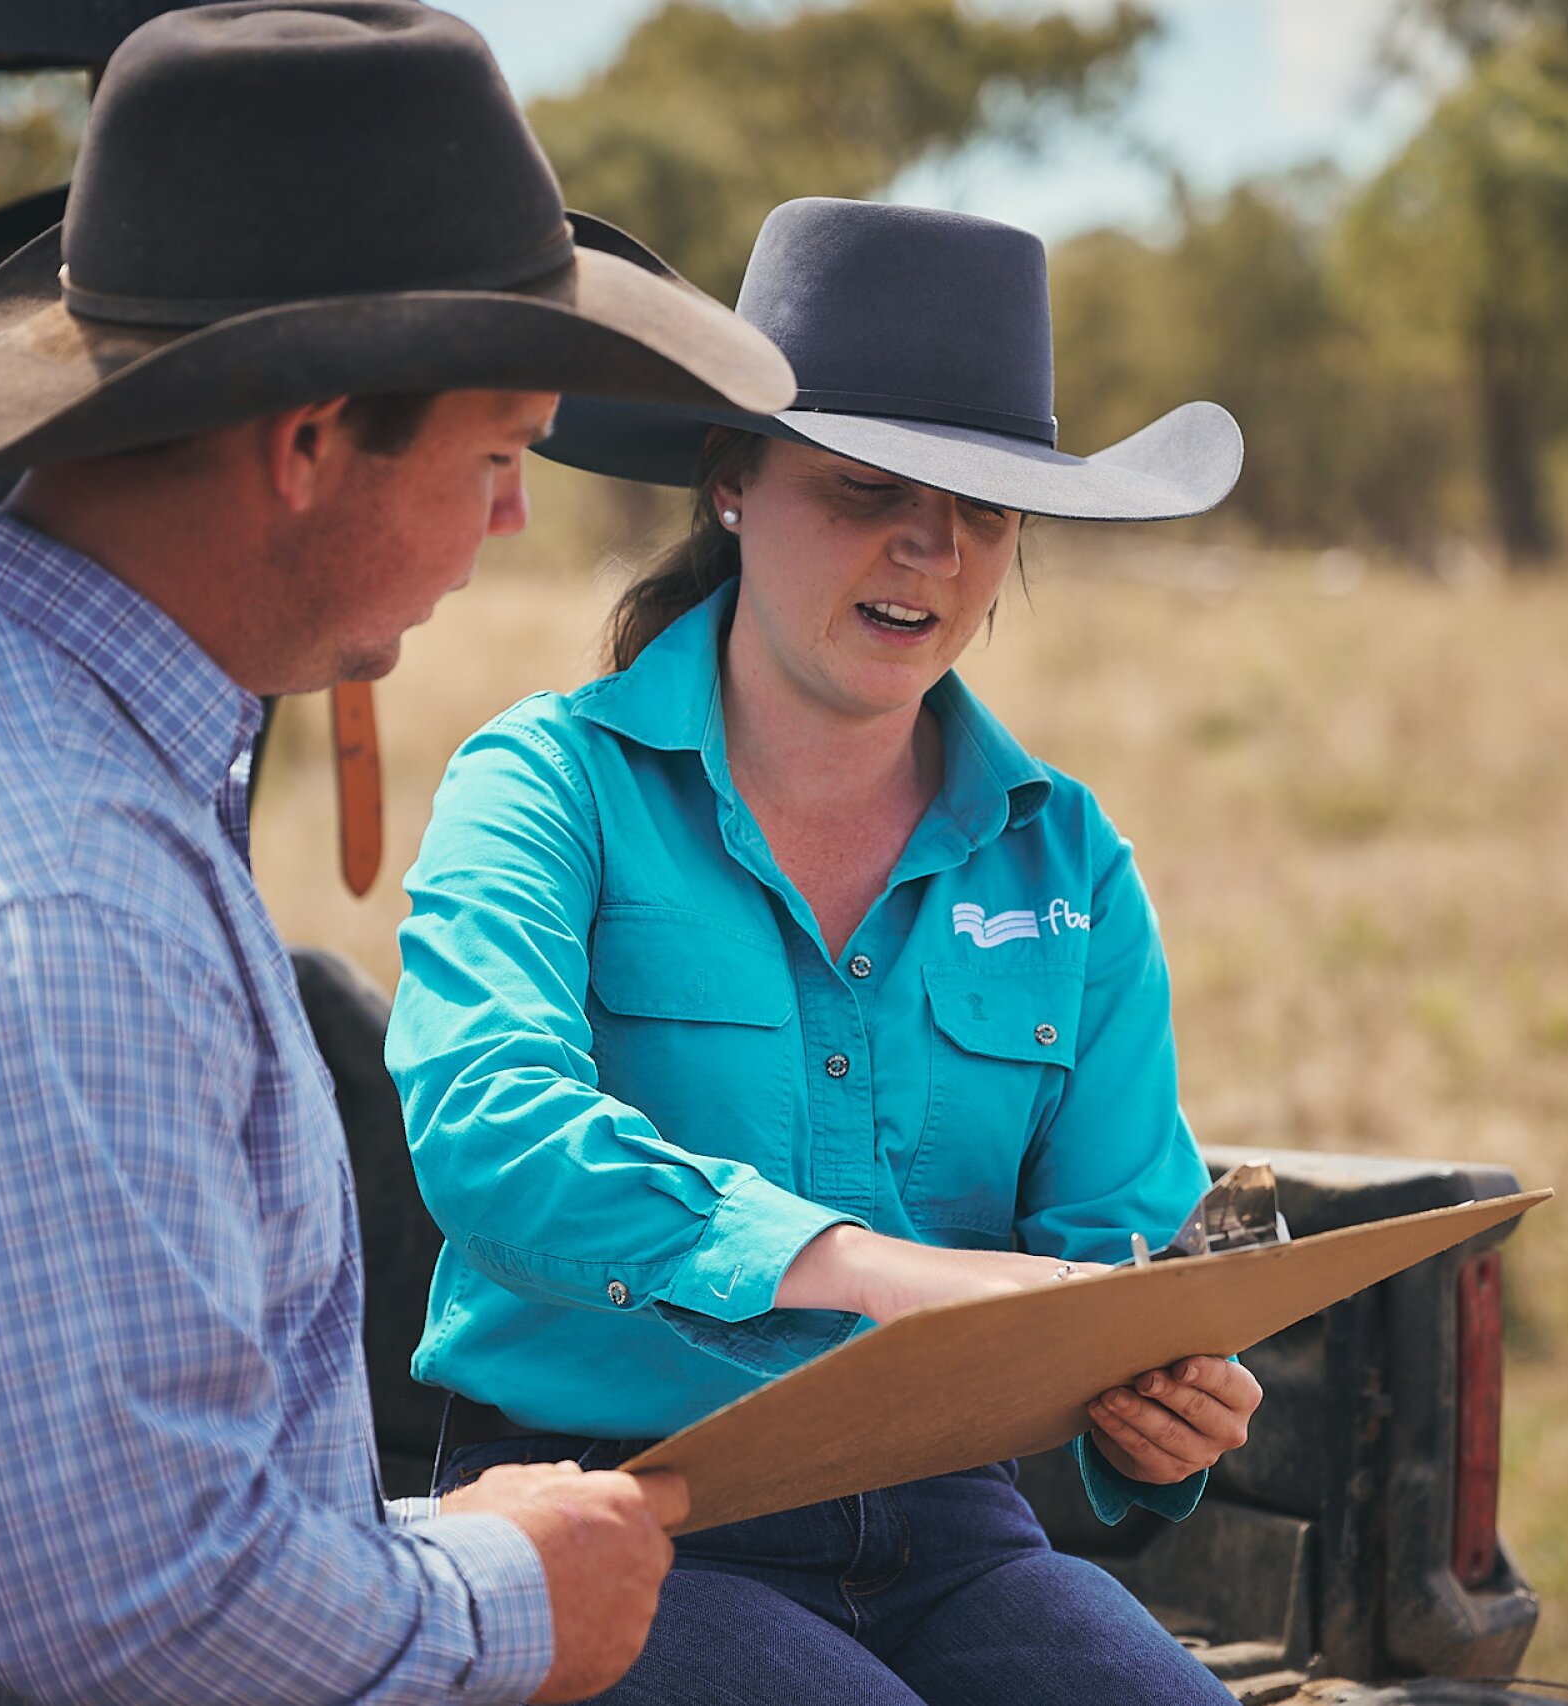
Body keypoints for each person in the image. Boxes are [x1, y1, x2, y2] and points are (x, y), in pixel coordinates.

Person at [0, 7, 795, 1703]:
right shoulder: (46, 896)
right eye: (499, 455)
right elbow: (130, 1606)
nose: (513, 517)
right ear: (307, 445)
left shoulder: (4, 695)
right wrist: (510, 1596)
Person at [384, 196, 1259, 1704]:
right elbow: (488, 1128)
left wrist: (1158, 1398)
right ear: (731, 479)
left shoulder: (1070, 857)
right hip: (618, 1508)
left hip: (960, 1529)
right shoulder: (544, 786)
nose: (931, 547)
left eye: (985, 510)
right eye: (865, 489)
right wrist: (871, 1274)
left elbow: (1120, 1240)